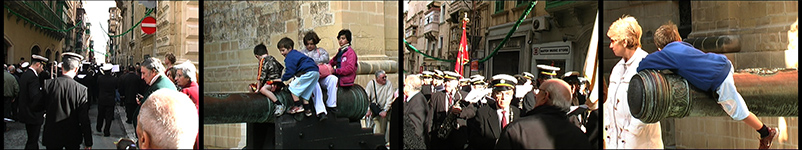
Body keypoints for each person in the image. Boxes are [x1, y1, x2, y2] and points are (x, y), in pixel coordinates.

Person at [640, 22, 778, 149]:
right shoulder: (684, 46)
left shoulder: (667, 53)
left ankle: (766, 132)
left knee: (738, 111)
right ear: (679, 39)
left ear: (659, 48)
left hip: (719, 78)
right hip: (724, 63)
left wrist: (661, 59)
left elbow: (643, 64)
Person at [603, 15, 663, 149]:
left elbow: (650, 105)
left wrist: (632, 132)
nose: (610, 45)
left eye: (613, 41)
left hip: (640, 143)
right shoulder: (616, 68)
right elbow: (610, 104)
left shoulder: (647, 63)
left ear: (624, 42)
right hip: (616, 143)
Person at [495, 79, 592, 149]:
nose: (536, 95)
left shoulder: (517, 130)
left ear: (545, 96)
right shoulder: (578, 136)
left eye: (539, 92)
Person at [41, 52, 93, 149]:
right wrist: (88, 142)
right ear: (76, 69)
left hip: (52, 135)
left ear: (62, 67)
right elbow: (84, 118)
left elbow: (41, 107)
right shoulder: (81, 90)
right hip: (72, 136)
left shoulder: (48, 84)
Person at [458, 74, 522, 149]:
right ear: (494, 95)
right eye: (499, 94)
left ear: (512, 95)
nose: (503, 98)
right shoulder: (483, 113)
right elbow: (475, 141)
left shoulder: (519, 113)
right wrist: (496, 143)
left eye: (507, 94)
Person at [278, 37, 324, 121]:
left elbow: (290, 71)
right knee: (306, 92)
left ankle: (298, 106)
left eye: (283, 50)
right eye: (280, 51)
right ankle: (307, 109)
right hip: (315, 72)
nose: (281, 53)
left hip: (308, 72)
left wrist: (282, 79)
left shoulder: (290, 57)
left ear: (290, 48)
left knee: (292, 87)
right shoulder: (297, 54)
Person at [426, 71, 469, 149]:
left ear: (456, 82)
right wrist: (429, 136)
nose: (446, 84)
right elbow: (430, 119)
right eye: (445, 81)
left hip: (458, 138)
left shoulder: (464, 96)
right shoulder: (436, 96)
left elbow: (472, 112)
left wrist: (460, 112)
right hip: (440, 138)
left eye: (449, 81)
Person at [300, 31, 336, 118]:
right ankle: (320, 111)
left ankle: (331, 105)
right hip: (311, 77)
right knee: (314, 84)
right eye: (308, 44)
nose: (309, 46)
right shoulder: (302, 53)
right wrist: (317, 61)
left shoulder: (321, 51)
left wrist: (312, 61)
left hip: (322, 75)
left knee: (333, 79)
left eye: (311, 44)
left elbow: (326, 58)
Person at [136, 57, 178, 128]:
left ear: (153, 71)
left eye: (143, 73)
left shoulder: (159, 88)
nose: (142, 77)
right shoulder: (159, 83)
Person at [18, 54, 48, 149]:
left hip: (26, 113)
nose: (42, 69)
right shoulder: (33, 78)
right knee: (32, 140)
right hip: (33, 115)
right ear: (38, 65)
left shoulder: (25, 75)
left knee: (32, 140)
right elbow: (35, 98)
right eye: (42, 67)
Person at [327, 29, 359, 113]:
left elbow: (350, 68)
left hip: (345, 80)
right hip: (338, 77)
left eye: (343, 38)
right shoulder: (340, 52)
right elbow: (332, 61)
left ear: (348, 39)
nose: (340, 41)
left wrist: (335, 71)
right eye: (339, 39)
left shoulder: (350, 53)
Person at [253, 43, 286, 116]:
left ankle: (279, 104)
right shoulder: (272, 58)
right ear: (266, 52)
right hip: (278, 83)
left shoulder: (262, 61)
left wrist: (258, 89)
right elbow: (281, 68)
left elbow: (260, 76)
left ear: (257, 56)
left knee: (262, 89)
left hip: (272, 83)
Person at [365, 70, 395, 140]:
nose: (385, 79)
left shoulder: (388, 84)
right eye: (383, 78)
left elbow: (389, 98)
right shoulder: (371, 84)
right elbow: (366, 98)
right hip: (375, 110)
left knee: (384, 129)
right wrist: (368, 109)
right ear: (377, 79)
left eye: (385, 77)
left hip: (384, 110)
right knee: (376, 129)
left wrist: (385, 110)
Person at [403, 74, 428, 149]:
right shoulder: (414, 99)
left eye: (405, 85)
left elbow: (416, 130)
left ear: (409, 87)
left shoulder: (418, 102)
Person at [96, 63, 119, 136]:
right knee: (109, 116)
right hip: (110, 99)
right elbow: (116, 87)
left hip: (101, 99)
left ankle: (99, 127)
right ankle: (106, 131)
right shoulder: (114, 79)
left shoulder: (100, 78)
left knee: (100, 114)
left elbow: (98, 86)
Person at [4, 64, 20, 131]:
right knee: (5, 112)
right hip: (8, 97)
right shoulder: (11, 77)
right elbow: (16, 88)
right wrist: (15, 96)